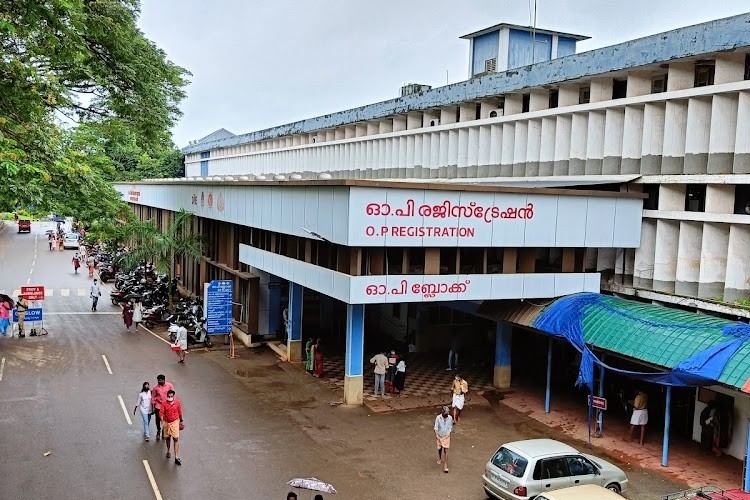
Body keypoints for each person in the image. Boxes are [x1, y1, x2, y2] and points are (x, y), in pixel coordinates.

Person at [161, 389, 184, 465]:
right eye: (168, 396)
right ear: (167, 396)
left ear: (174, 396)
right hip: (167, 422)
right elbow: (161, 413)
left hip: (175, 422)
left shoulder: (177, 403)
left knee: (176, 438)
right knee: (168, 437)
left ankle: (176, 457)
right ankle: (168, 450)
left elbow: (180, 412)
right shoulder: (164, 404)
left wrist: (181, 420)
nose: (170, 397)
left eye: (171, 396)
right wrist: (162, 421)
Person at [152, 374, 175, 441]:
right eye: (158, 380)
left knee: (165, 420)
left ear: (164, 380)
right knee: (158, 420)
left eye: (160, 380)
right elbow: (153, 397)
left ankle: (163, 431)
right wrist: (153, 407)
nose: (159, 381)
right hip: (158, 406)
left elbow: (173, 395)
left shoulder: (169, 385)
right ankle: (158, 430)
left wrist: (173, 404)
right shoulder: (155, 388)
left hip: (167, 406)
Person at [434, 405, 453, 473]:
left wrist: (447, 436)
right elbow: (436, 428)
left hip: (446, 436)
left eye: (448, 412)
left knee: (446, 450)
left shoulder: (450, 418)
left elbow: (450, 428)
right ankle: (439, 458)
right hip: (439, 435)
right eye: (446, 412)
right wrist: (437, 436)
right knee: (439, 448)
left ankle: (445, 466)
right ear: (442, 412)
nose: (447, 414)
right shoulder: (438, 418)